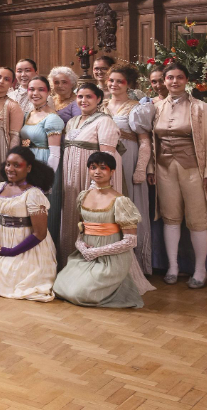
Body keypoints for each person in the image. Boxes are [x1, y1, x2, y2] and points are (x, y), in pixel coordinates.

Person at [150, 62, 207, 288]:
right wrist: (151, 169)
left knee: (197, 220)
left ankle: (200, 269)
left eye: (179, 77)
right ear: (164, 81)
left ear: (186, 80)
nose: (174, 81)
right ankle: (173, 266)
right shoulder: (156, 107)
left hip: (194, 169)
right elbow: (151, 141)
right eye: (170, 77)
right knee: (170, 218)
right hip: (164, 169)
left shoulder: (201, 108)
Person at [53, 152, 152, 308]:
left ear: (112, 171)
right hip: (86, 256)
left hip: (111, 260)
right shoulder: (83, 196)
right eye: (93, 167)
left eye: (103, 168)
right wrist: (81, 246)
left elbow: (131, 241)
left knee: (77, 293)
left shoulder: (120, 201)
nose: (97, 172)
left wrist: (98, 252)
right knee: (59, 287)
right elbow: (83, 228)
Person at [0, 147, 58, 302]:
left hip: (25, 249)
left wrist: (11, 252)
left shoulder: (34, 194)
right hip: (2, 243)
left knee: (8, 282)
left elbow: (40, 233)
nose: (10, 169)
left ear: (29, 168)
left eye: (17, 165)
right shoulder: (0, 187)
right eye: (8, 164)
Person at [60, 83, 121, 262]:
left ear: (99, 99)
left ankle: (94, 261)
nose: (83, 100)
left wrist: (97, 184)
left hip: (91, 178)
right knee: (72, 216)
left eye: (89, 96)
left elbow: (107, 156)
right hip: (71, 177)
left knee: (91, 218)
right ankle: (70, 262)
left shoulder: (104, 121)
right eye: (80, 96)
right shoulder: (72, 122)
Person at [105, 64, 155, 273]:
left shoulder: (136, 108)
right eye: (111, 80)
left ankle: (135, 264)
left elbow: (144, 141)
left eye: (120, 81)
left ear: (129, 84)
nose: (114, 84)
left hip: (128, 160)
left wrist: (141, 168)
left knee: (129, 209)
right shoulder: (101, 105)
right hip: (105, 162)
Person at [20, 76, 65, 254]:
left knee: (42, 209)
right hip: (27, 166)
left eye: (41, 89)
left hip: (44, 165)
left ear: (48, 92)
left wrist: (46, 179)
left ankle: (46, 256)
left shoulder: (52, 118)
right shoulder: (28, 114)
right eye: (31, 89)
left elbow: (55, 153)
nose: (35, 93)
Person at [0, 67, 24, 152]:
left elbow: (15, 137)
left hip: (1, 149)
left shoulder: (13, 106)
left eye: (6, 79)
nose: (1, 81)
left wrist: (11, 156)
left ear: (11, 84)